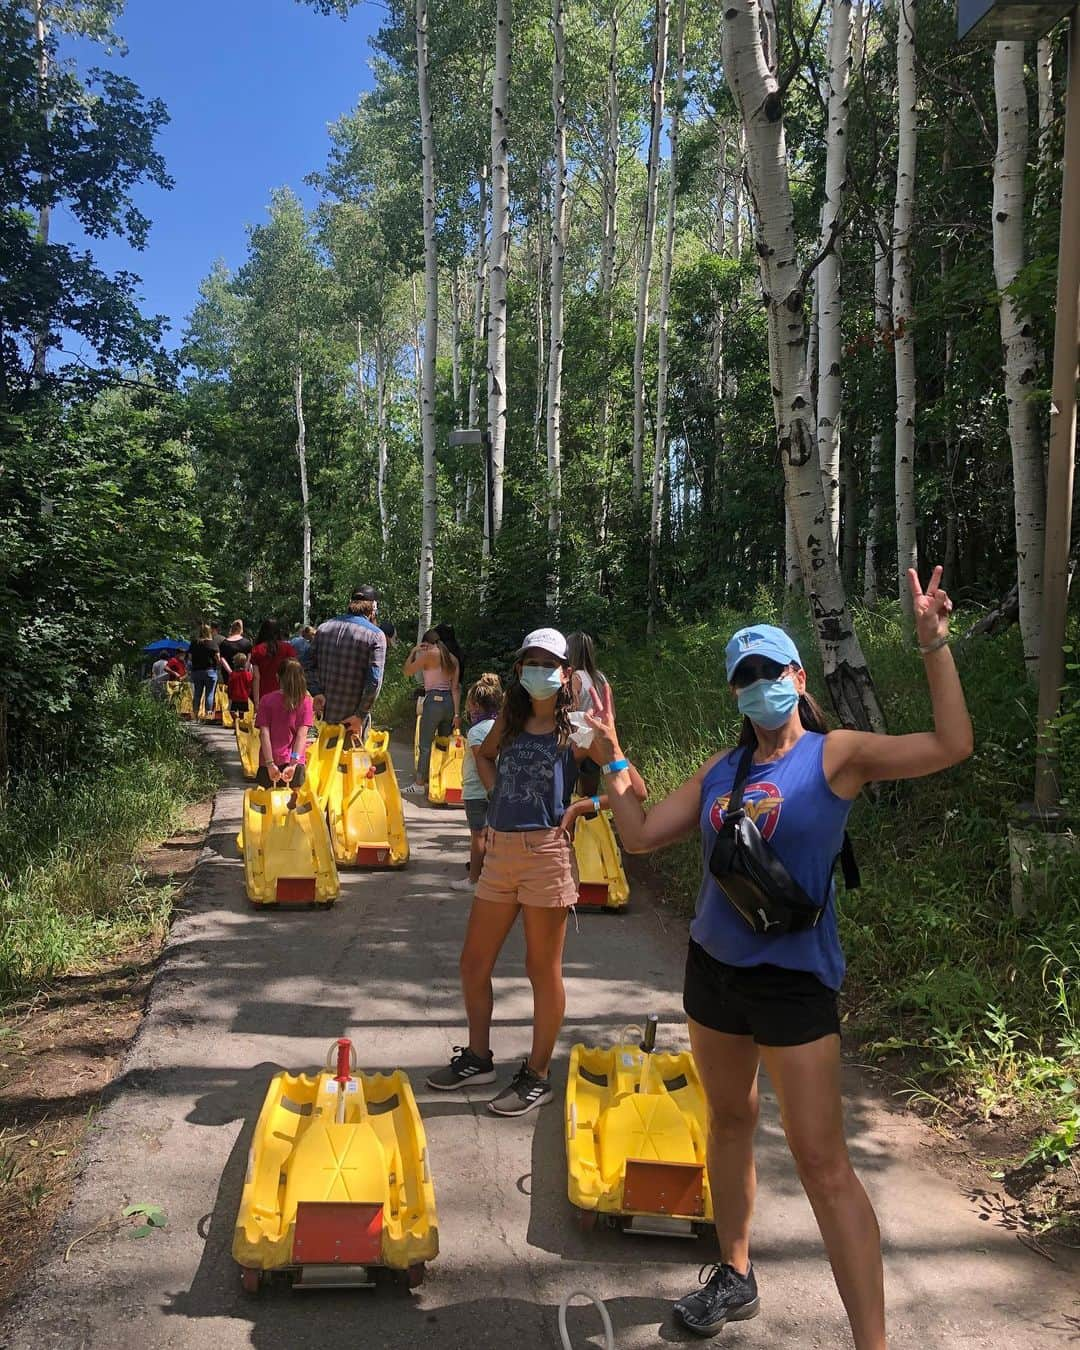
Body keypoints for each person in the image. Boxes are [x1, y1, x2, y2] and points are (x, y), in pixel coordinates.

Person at [584, 567, 973, 1347]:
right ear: (734, 693)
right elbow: (640, 834)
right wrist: (612, 755)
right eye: (745, 678)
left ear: (797, 678)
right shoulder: (723, 771)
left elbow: (951, 745)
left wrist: (935, 646)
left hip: (794, 983)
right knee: (728, 1119)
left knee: (824, 1165)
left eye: (771, 672)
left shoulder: (838, 756)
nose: (759, 686)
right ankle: (734, 1271)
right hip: (714, 972)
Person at [426, 627, 646, 1117]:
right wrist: (497, 792)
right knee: (472, 962)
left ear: (566, 672)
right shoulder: (511, 717)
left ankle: (538, 1073)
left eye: (548, 663)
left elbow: (636, 791)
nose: (538, 671)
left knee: (540, 971)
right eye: (530, 662)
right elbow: (484, 756)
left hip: (546, 854)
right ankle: (479, 1057)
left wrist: (581, 806)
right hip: (501, 852)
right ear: (519, 670)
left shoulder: (579, 731)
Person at [303, 585, 387, 733]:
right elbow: (374, 681)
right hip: (352, 723)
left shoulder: (324, 628)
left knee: (325, 756)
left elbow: (307, 665)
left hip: (325, 719)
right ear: (373, 607)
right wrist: (360, 715)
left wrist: (316, 692)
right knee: (353, 756)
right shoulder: (375, 635)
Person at [450, 674, 505, 895]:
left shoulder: (476, 731)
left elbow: (483, 759)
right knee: (493, 834)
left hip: (477, 790)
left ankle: (474, 879)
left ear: (475, 705)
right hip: (496, 788)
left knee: (478, 835)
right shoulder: (500, 726)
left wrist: (488, 789)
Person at [404, 627, 462, 795]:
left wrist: (414, 651)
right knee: (443, 744)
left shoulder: (428, 655)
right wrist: (457, 714)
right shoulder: (452, 659)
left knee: (425, 745)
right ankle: (441, 781)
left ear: (426, 644)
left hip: (433, 701)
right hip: (449, 704)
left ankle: (420, 784)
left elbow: (407, 671)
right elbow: (455, 688)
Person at [254, 659, 314, 790]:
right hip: (295, 763)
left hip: (268, 763)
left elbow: (264, 734)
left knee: (267, 805)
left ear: (277, 677)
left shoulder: (266, 700)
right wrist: (293, 763)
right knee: (292, 805)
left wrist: (270, 764)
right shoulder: (306, 702)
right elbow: (301, 735)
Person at [567, 631, 610, 799]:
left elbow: (569, 710)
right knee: (591, 795)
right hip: (598, 740)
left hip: (578, 743)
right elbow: (609, 711)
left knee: (573, 795)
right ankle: (593, 824)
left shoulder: (575, 677)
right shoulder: (600, 677)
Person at [249, 619, 296, 708]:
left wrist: (256, 703)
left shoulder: (257, 650)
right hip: (285, 695)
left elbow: (256, 677)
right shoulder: (288, 648)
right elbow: (294, 672)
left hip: (264, 696)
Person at [188, 624, 220, 718]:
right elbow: (218, 658)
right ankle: (208, 715)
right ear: (209, 632)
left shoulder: (194, 643)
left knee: (197, 693)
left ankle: (195, 714)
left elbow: (189, 657)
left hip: (197, 671)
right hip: (210, 671)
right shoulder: (212, 643)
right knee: (209, 694)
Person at [227, 652, 254, 717]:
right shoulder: (248, 674)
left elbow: (230, 686)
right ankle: (240, 722)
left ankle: (236, 720)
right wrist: (248, 694)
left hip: (234, 696)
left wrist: (229, 695)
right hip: (244, 697)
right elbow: (250, 685)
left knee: (232, 710)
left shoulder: (232, 674)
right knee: (242, 712)